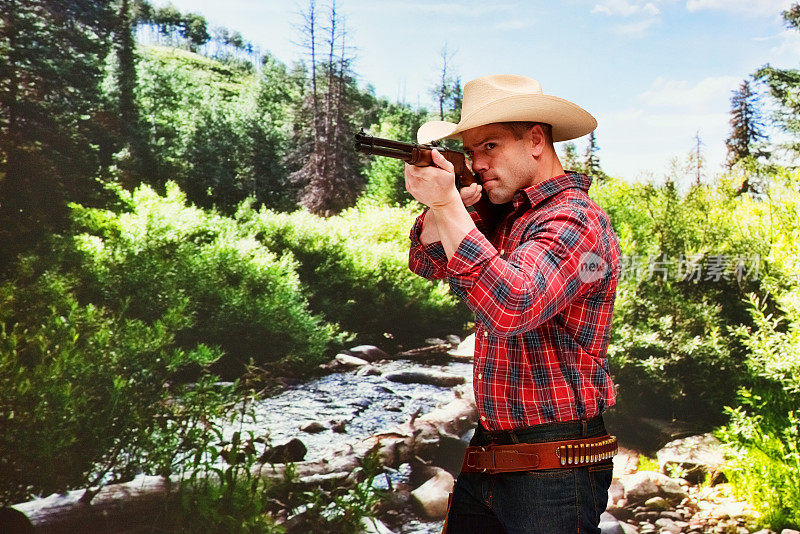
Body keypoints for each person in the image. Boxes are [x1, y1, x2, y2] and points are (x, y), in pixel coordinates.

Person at [405, 74, 621, 534]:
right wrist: (446, 205)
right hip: (490, 452)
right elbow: (424, 260)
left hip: (555, 466)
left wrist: (448, 207)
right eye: (471, 150)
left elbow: (512, 306)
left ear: (536, 140)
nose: (478, 162)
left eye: (491, 147)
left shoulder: (576, 219)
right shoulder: (507, 214)